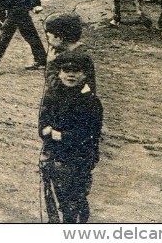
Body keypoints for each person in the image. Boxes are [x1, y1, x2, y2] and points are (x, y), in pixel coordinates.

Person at [39, 50, 103, 224]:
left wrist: (57, 134)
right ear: (59, 73)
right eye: (66, 70)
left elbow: (88, 134)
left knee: (73, 200)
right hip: (55, 155)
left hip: (80, 158)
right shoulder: (51, 97)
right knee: (55, 195)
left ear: (85, 75)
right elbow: (42, 127)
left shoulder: (90, 102)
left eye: (77, 71)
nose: (71, 74)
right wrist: (50, 133)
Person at [41, 13, 96, 96]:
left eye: (48, 37)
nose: (48, 41)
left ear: (59, 38)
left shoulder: (72, 58)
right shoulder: (80, 53)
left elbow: (58, 87)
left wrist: (50, 64)